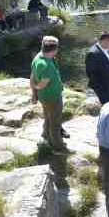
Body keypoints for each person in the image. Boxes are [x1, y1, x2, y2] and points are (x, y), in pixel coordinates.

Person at [31, 36, 69, 187]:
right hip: (52, 97)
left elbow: (33, 75)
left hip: (45, 97)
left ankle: (45, 135)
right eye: (56, 50)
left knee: (48, 117)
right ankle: (58, 147)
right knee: (55, 121)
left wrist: (35, 93)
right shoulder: (45, 64)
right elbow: (41, 83)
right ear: (53, 51)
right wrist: (36, 88)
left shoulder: (38, 57)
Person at [86, 32, 109, 104]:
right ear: (105, 41)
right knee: (106, 107)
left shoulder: (104, 49)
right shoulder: (93, 53)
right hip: (103, 88)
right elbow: (91, 74)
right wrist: (102, 90)